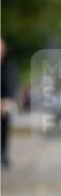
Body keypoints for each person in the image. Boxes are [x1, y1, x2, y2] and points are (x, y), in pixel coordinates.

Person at [1, 38, 18, 169]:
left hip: (3, 103)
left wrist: (7, 100)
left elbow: (12, 84)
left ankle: (3, 155)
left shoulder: (9, 65)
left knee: (4, 131)